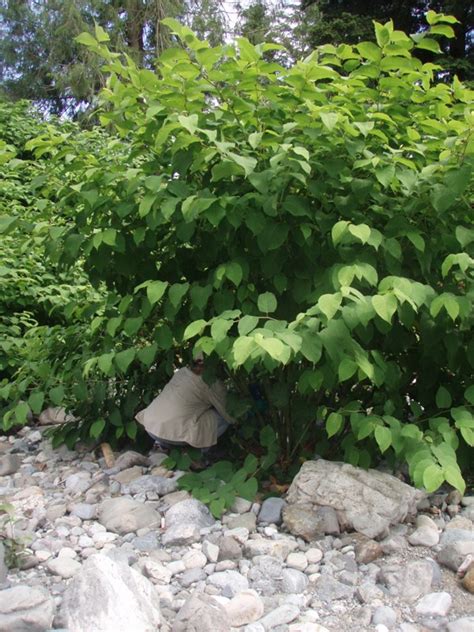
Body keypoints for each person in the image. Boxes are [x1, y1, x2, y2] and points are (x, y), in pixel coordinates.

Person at [135, 356, 235, 453]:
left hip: (150, 425)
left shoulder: (182, 371)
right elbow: (230, 414)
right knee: (223, 417)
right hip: (173, 433)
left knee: (186, 410)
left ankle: (162, 446)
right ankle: (201, 454)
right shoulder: (212, 382)